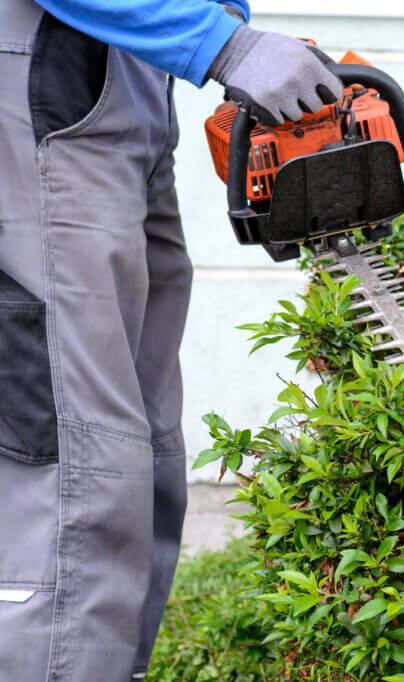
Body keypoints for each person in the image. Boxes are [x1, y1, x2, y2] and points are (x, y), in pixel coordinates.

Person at [0, 1, 342, 679]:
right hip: (52, 61)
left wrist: (217, 20)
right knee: (75, 459)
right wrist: (221, 43)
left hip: (129, 67)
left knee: (145, 455)